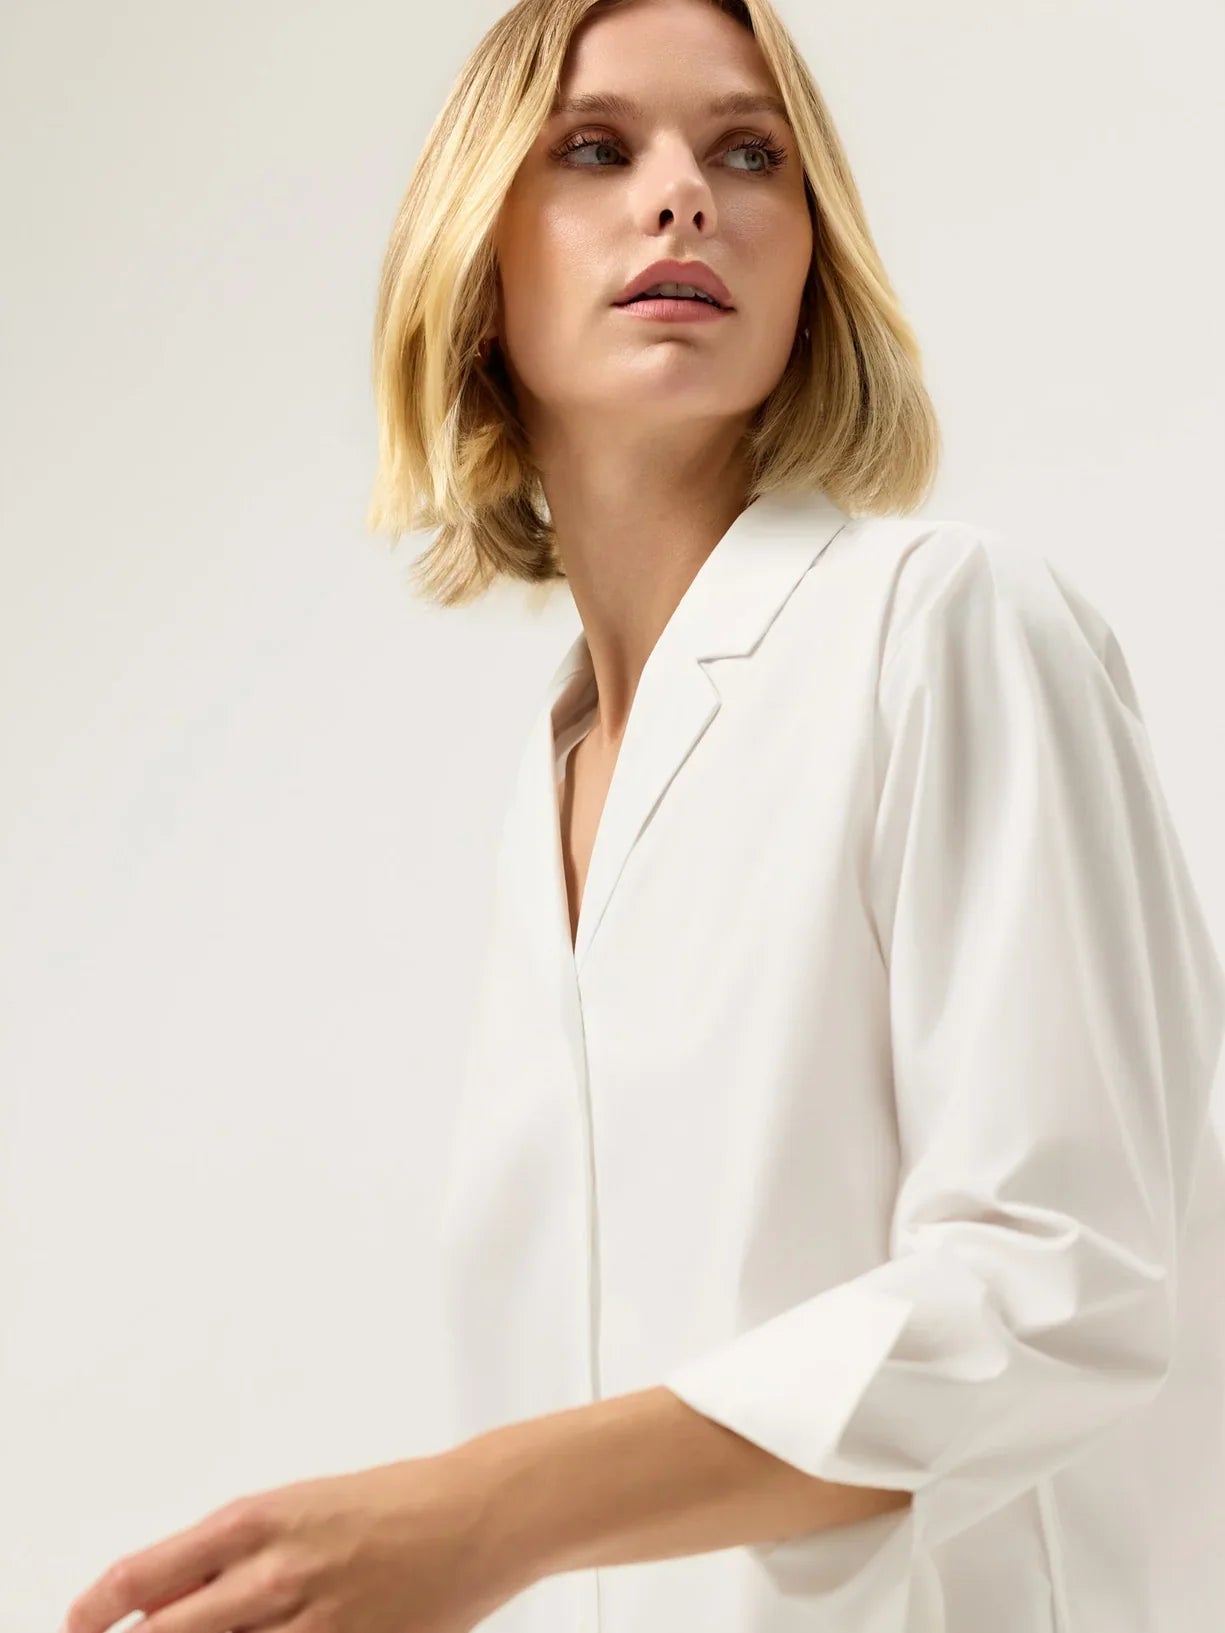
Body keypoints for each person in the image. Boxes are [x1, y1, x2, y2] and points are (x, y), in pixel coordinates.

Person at [56, 3, 1225, 1632]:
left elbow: (1064, 1281)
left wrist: (481, 1510)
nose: (681, 196)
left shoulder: (941, 626)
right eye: (595, 149)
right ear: (479, 264)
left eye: (747, 154)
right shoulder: (552, 783)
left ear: (811, 262)